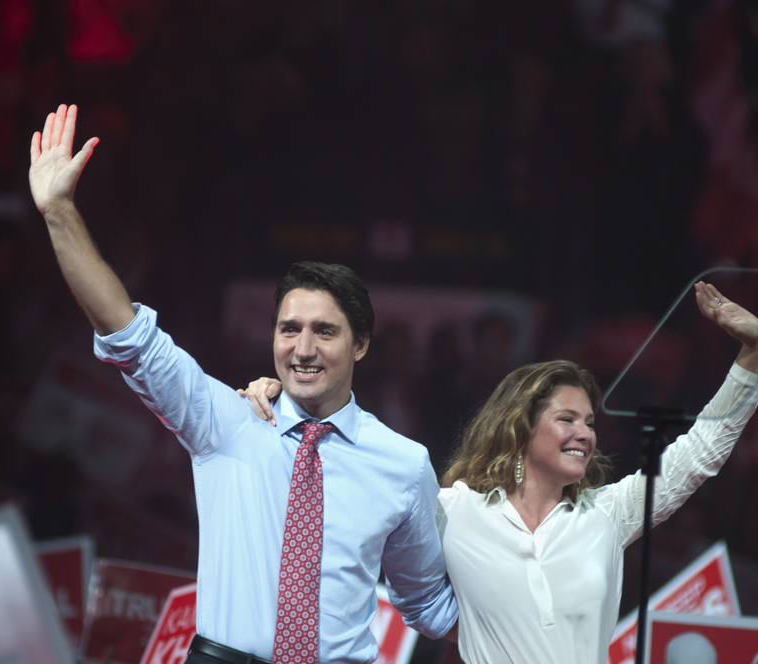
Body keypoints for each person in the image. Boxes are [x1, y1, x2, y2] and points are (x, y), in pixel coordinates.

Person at [27, 104, 457, 664]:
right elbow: (129, 334)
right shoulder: (225, 423)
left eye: (324, 332)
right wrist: (59, 211)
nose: (303, 349)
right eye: (289, 329)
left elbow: (430, 604)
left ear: (361, 344)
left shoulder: (403, 463)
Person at [243, 282, 758, 664]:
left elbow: (699, 452)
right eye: (566, 419)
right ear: (521, 427)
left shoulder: (608, 514)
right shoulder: (454, 511)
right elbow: (349, 482)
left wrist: (752, 352)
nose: (585, 432)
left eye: (589, 422)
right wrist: (285, 401)